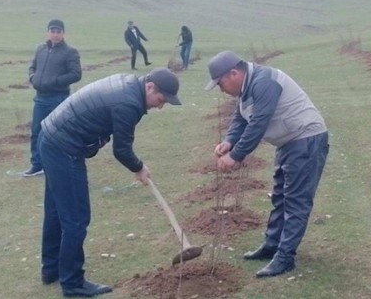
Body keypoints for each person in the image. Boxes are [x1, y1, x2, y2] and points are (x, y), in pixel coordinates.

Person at [38, 68, 180, 297]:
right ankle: (72, 283)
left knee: (56, 210)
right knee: (76, 218)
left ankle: (51, 269)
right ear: (150, 87)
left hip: (51, 137)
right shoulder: (129, 103)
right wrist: (139, 167)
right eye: (160, 100)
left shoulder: (129, 86)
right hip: (64, 148)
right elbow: (121, 149)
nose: (160, 106)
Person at [205, 50, 329, 278]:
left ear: (234, 73)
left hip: (306, 140)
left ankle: (285, 258)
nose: (221, 90)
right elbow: (241, 117)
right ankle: (272, 245)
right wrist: (228, 142)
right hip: (289, 142)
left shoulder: (264, 82)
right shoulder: (246, 86)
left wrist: (235, 156)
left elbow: (258, 123)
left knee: (296, 201)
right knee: (280, 196)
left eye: (220, 84)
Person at [23, 19, 81, 177]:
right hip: (40, 98)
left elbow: (76, 74)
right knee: (36, 131)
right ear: (47, 32)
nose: (55, 35)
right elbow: (32, 67)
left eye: (58, 32)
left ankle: (59, 164)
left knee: (58, 132)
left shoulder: (70, 52)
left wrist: (56, 82)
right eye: (52, 31)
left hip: (58, 98)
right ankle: (37, 165)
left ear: (63, 33)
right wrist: (32, 78)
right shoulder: (40, 49)